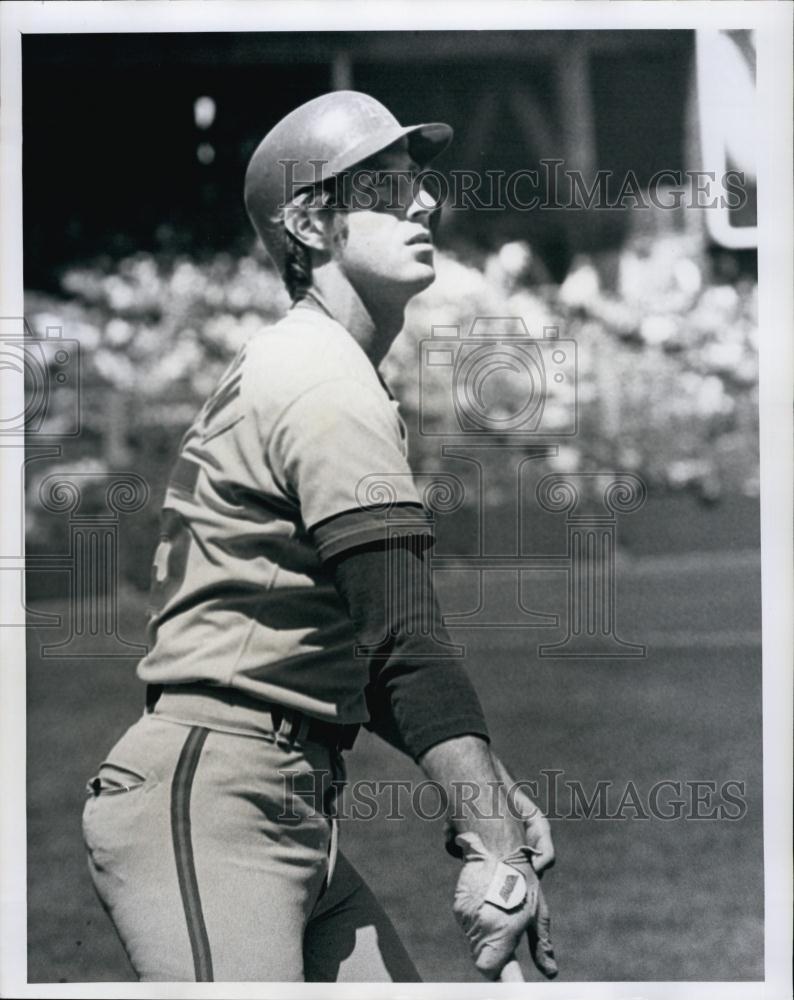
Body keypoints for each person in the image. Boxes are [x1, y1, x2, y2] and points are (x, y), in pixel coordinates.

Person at [82, 90, 558, 983]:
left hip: (280, 794)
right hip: (211, 793)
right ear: (307, 221)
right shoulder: (320, 376)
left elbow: (367, 654)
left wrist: (484, 794)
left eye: (419, 183)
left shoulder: (314, 364)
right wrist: (494, 835)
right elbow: (405, 639)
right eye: (382, 186)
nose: (422, 204)